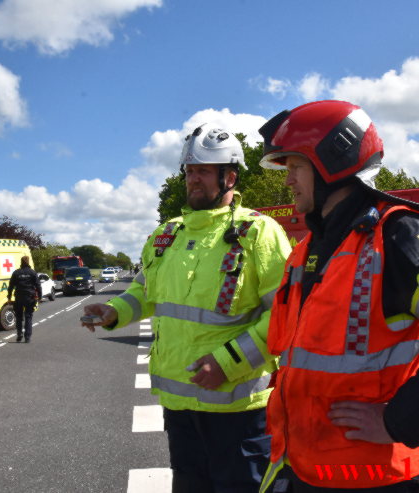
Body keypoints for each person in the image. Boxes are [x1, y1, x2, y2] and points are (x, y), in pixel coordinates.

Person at [256, 100, 419, 492]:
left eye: (295, 166)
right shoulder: (310, 247)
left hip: (374, 478)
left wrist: (399, 420)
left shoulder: (400, 235)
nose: (287, 180)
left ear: (332, 161)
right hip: (303, 469)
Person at [82, 124, 292, 492]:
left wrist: (228, 362)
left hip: (239, 412)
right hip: (180, 406)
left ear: (229, 177)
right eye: (189, 171)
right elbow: (145, 292)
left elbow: (286, 314)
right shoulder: (167, 235)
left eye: (203, 171)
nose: (193, 179)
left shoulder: (259, 233)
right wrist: (115, 310)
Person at [7, 255, 42, 343]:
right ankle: (27, 337)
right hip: (29, 298)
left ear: (21, 262)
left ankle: (19, 334)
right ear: (28, 261)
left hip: (19, 297)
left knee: (18, 317)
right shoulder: (32, 272)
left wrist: (9, 297)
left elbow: (11, 286)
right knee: (28, 317)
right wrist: (40, 297)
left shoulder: (16, 273)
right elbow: (38, 286)